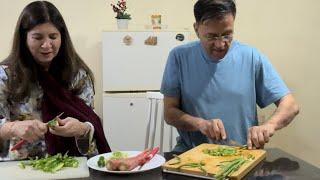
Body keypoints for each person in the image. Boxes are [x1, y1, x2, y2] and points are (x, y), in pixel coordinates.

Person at [160, 0, 299, 152]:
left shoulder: (251, 56)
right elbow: (169, 113)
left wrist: (269, 125)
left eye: (227, 35)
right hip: (191, 152)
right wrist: (201, 124)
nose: (220, 44)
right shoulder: (179, 57)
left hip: (242, 153)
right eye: (211, 37)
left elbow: (290, 105)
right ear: (196, 29)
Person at [0, 1, 111, 161]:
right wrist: (13, 128)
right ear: (24, 38)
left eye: (53, 36)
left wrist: (81, 129)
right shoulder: (6, 75)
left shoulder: (78, 75)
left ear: (62, 36)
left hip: (69, 164)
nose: (47, 45)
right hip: (21, 166)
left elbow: (90, 124)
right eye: (37, 37)